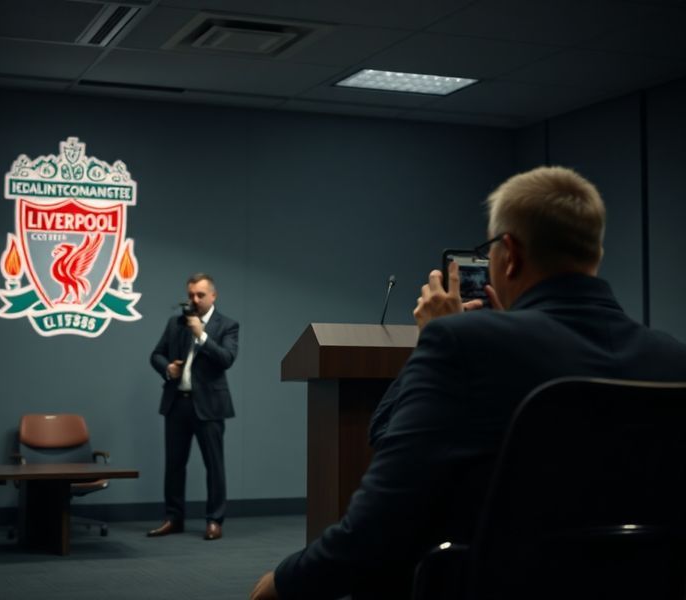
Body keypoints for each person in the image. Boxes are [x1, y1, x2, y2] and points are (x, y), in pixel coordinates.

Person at [250, 166, 686, 599]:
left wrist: (283, 583)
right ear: (597, 253)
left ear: (509, 253)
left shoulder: (461, 345)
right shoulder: (673, 359)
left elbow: (381, 507)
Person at [147, 273, 239, 541]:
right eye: (191, 295)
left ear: (213, 296)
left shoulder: (227, 325)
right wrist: (168, 368)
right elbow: (156, 355)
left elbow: (227, 358)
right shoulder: (176, 323)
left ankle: (214, 520)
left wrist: (202, 335)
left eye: (200, 295)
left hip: (209, 406)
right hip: (177, 403)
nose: (194, 300)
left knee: (214, 465)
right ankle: (173, 518)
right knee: (174, 465)